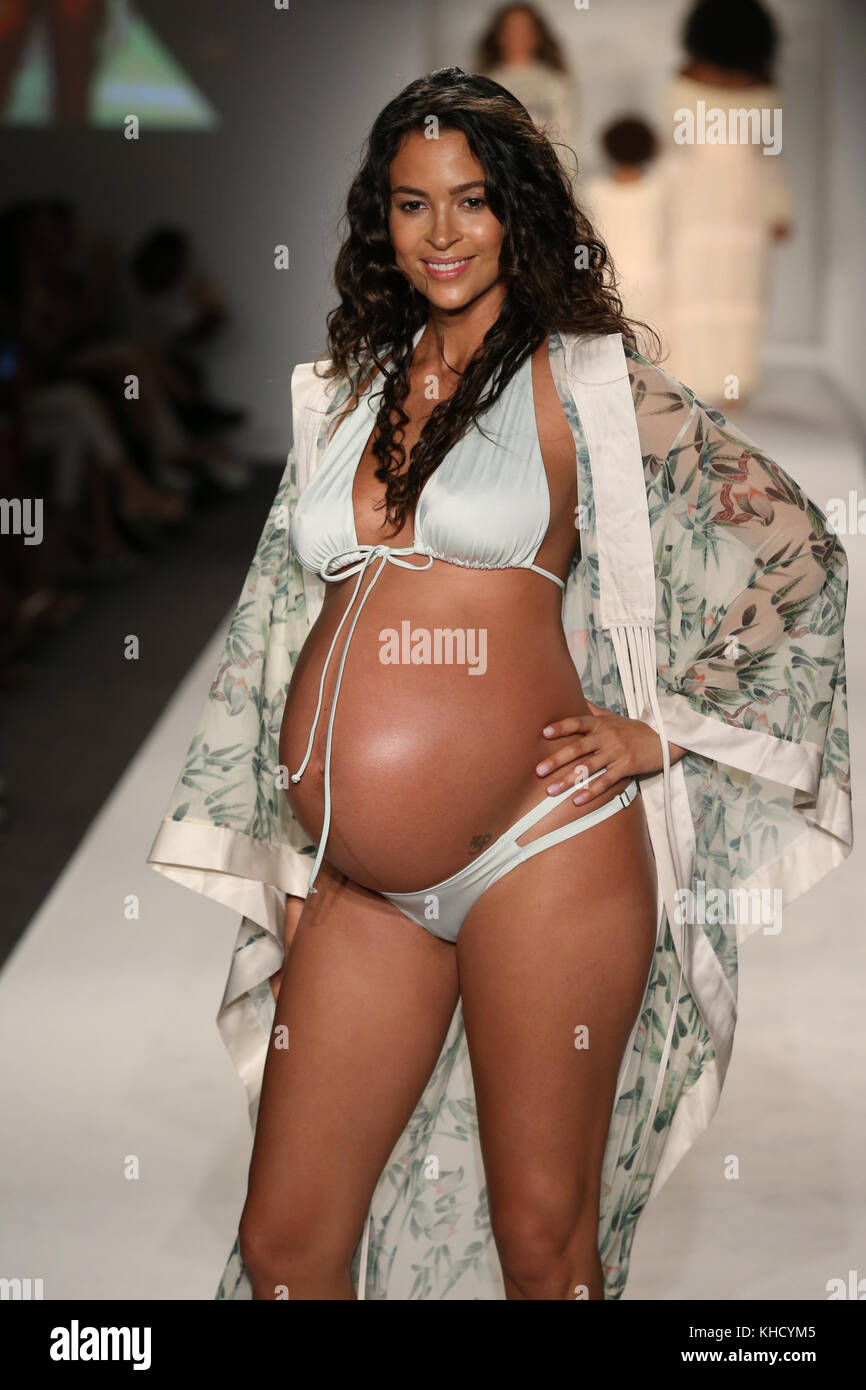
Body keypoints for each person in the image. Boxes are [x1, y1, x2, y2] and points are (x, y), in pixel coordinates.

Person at [147, 68, 852, 1301]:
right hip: (357, 885)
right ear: (381, 219)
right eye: (411, 204)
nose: (441, 233)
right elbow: (275, 625)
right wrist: (288, 850)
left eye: (471, 201)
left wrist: (661, 727)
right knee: (283, 1248)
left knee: (543, 1245)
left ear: (518, 212)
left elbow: (797, 547)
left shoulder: (583, 385)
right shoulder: (343, 392)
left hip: (541, 856)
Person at [662, 0, 793, 406]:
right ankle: (692, 378)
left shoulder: (759, 87)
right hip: (704, 196)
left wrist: (778, 209)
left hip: (735, 200)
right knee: (701, 285)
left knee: (732, 288)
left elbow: (769, 157)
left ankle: (726, 383)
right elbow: (675, 147)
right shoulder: (691, 82)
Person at [584, 116, 667, 344]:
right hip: (654, 280)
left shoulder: (596, 191)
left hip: (609, 280)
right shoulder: (658, 190)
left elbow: (586, 240)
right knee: (654, 346)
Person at [476, 3, 577, 172]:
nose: (518, 36)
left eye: (525, 29)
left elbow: (565, 135)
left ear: (538, 35)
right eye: (511, 29)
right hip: (499, 174)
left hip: (544, 175)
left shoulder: (554, 82)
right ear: (498, 35)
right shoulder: (482, 84)